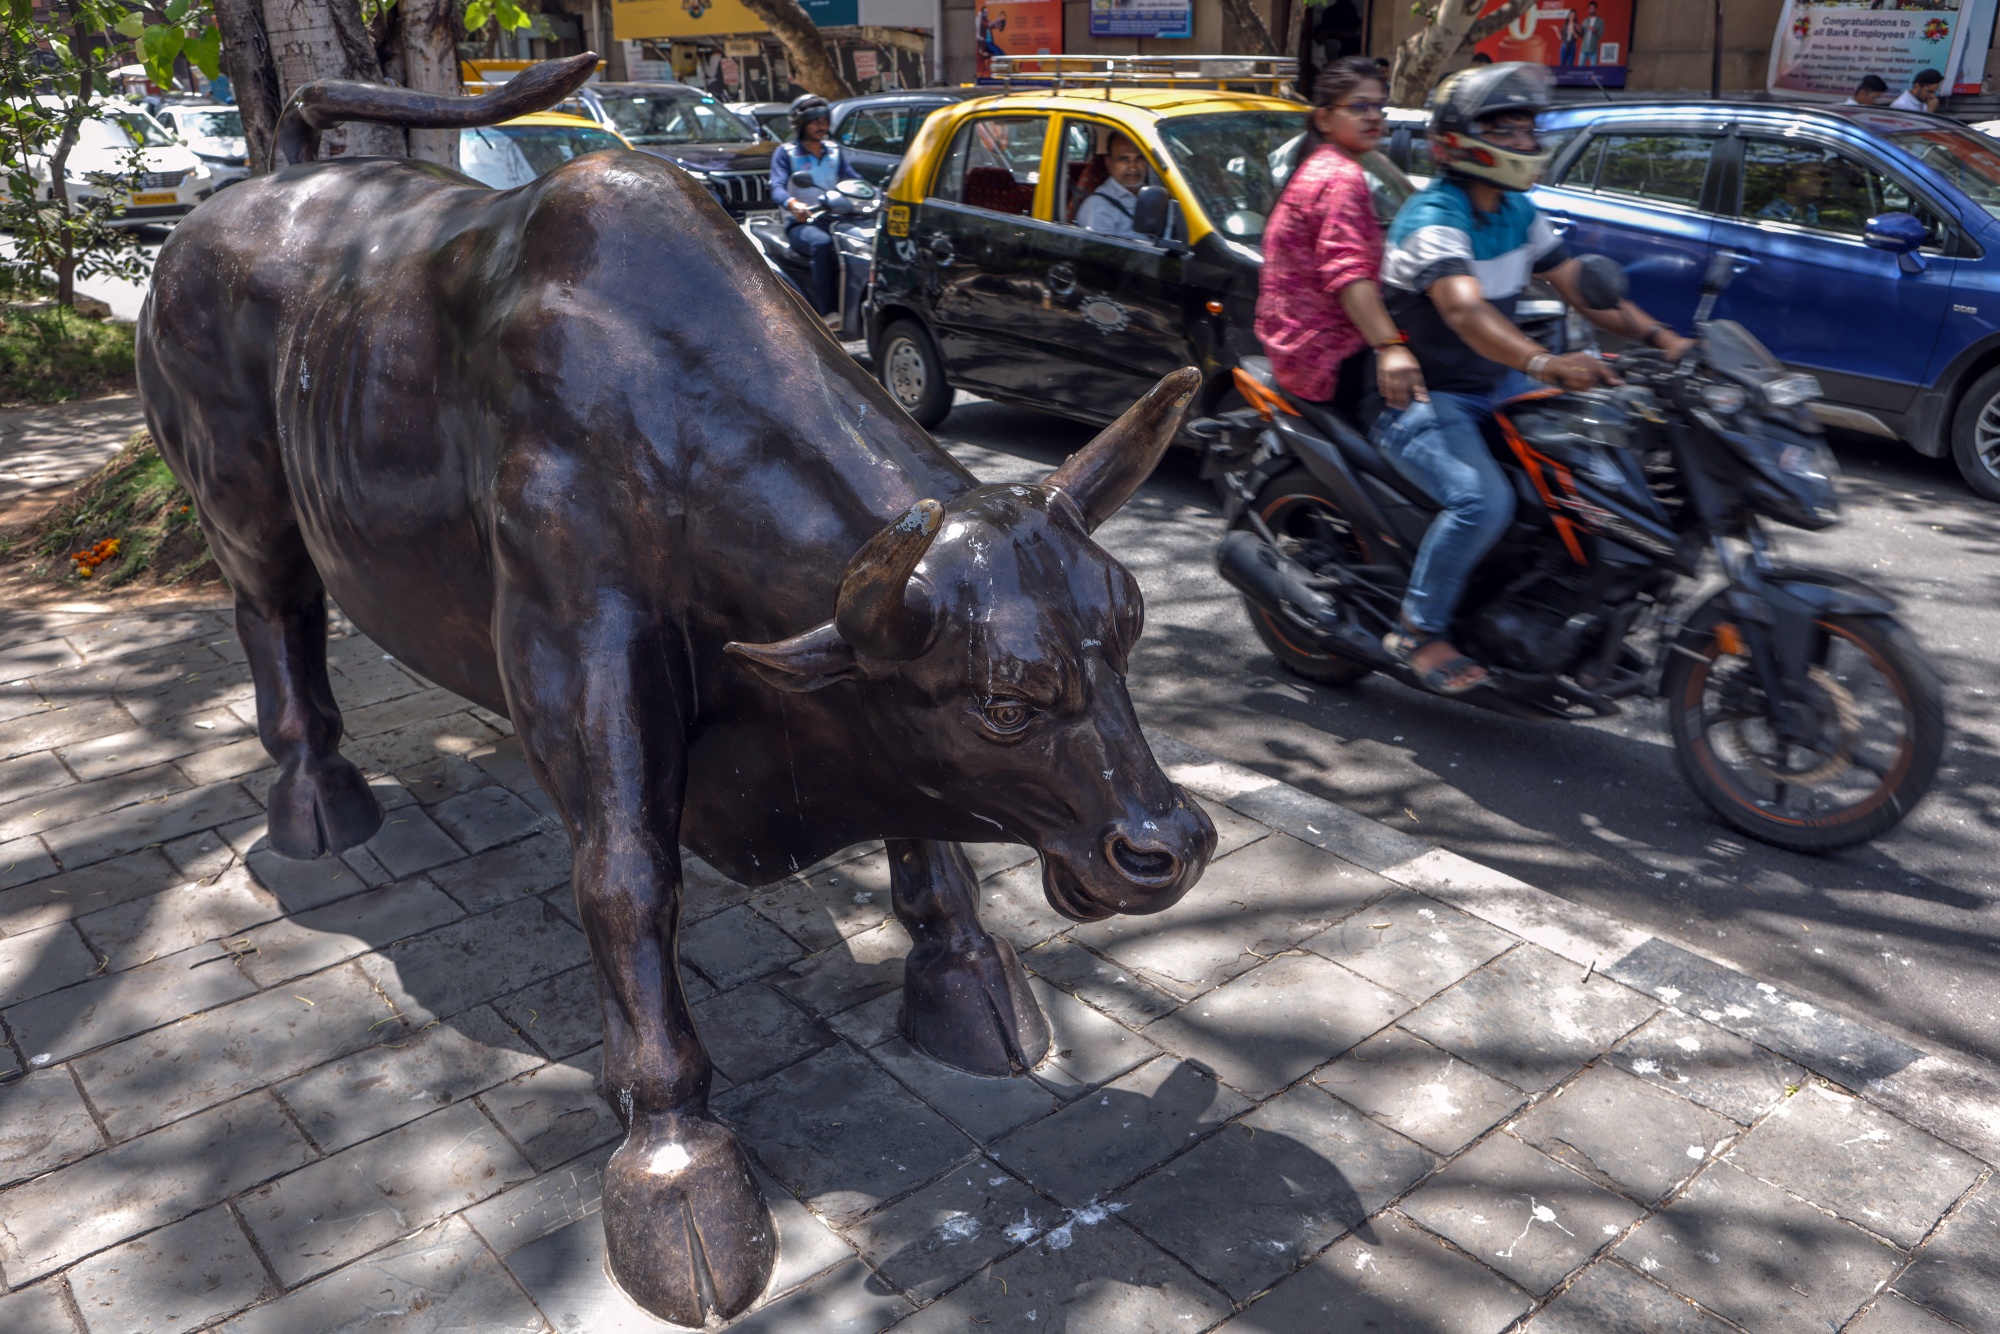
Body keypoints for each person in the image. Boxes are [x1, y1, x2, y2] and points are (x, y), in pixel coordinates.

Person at [1372, 62, 1694, 694]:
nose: (1524, 141)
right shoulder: (1433, 214)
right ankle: (1417, 628)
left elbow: (1578, 286)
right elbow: (1464, 311)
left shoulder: (1517, 209)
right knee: (1481, 502)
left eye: (1526, 129)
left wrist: (1666, 340)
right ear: (1460, 141)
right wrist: (1545, 363)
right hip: (1425, 399)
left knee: (1605, 465)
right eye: (1507, 130)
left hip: (1501, 388)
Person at [1255, 57, 1424, 417]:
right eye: (1359, 107)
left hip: (1296, 352)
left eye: (1378, 106)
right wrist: (1390, 347)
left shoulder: (1322, 166)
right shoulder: (1341, 177)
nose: (1374, 116)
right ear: (1324, 119)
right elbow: (1349, 274)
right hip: (1327, 358)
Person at [769, 94, 862, 321]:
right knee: (822, 244)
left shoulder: (834, 151)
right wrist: (793, 204)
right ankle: (826, 312)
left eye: (825, 121)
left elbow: (853, 179)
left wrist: (874, 192)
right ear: (801, 124)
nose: (822, 126)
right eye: (815, 121)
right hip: (802, 222)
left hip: (835, 218)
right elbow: (777, 187)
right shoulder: (787, 153)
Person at [1075, 133, 1151, 238]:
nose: (1133, 167)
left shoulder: (1156, 193)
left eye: (1139, 158)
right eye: (1124, 159)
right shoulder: (1099, 206)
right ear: (1109, 163)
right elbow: (1100, 247)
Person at [1756, 159, 1829, 226]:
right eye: (1811, 176)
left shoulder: (1810, 209)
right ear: (1790, 186)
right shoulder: (1771, 214)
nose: (1820, 181)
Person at [1578, 1, 1603, 66]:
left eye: (1593, 8)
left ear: (1596, 9)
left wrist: (1594, 30)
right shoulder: (1585, 21)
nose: (1591, 10)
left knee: (1593, 68)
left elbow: (1600, 34)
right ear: (1588, 10)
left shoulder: (1600, 21)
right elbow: (1581, 35)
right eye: (1590, 8)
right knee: (1580, 67)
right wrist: (1579, 30)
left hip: (1593, 48)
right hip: (1584, 48)